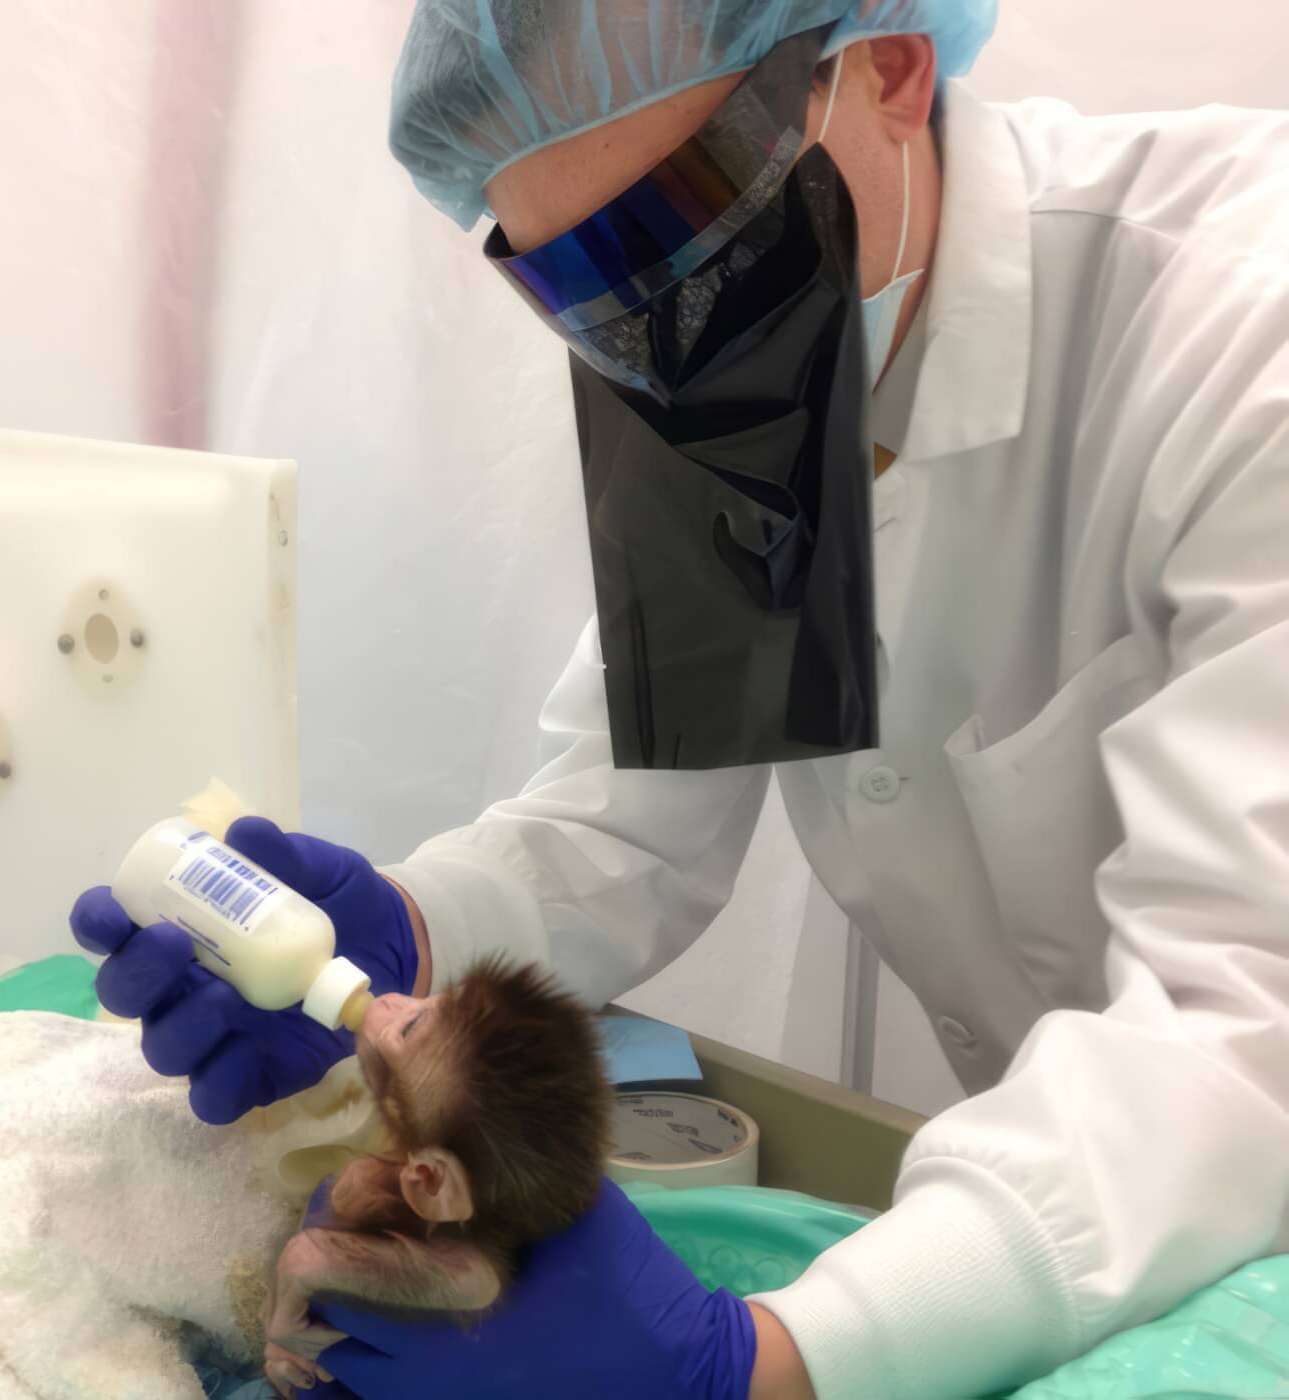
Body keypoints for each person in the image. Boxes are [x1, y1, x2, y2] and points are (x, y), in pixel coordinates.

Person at [72, 2, 1289, 1396]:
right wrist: (404, 934)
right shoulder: (723, 374)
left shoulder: (1241, 336)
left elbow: (1244, 1028)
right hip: (1106, 1213)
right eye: (580, 287)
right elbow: (628, 827)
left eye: (682, 229)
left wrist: (760, 1364)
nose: (660, 340)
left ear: (887, 71)